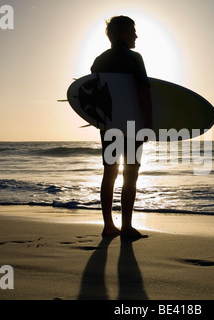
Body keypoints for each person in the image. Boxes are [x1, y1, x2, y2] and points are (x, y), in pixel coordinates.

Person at [91, 16, 152, 239]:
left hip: (108, 126)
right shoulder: (134, 58)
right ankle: (126, 227)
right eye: (133, 31)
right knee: (131, 173)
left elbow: (94, 96)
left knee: (109, 173)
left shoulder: (99, 61)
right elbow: (144, 91)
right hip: (132, 124)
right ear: (124, 33)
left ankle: (108, 226)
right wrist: (149, 122)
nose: (136, 35)